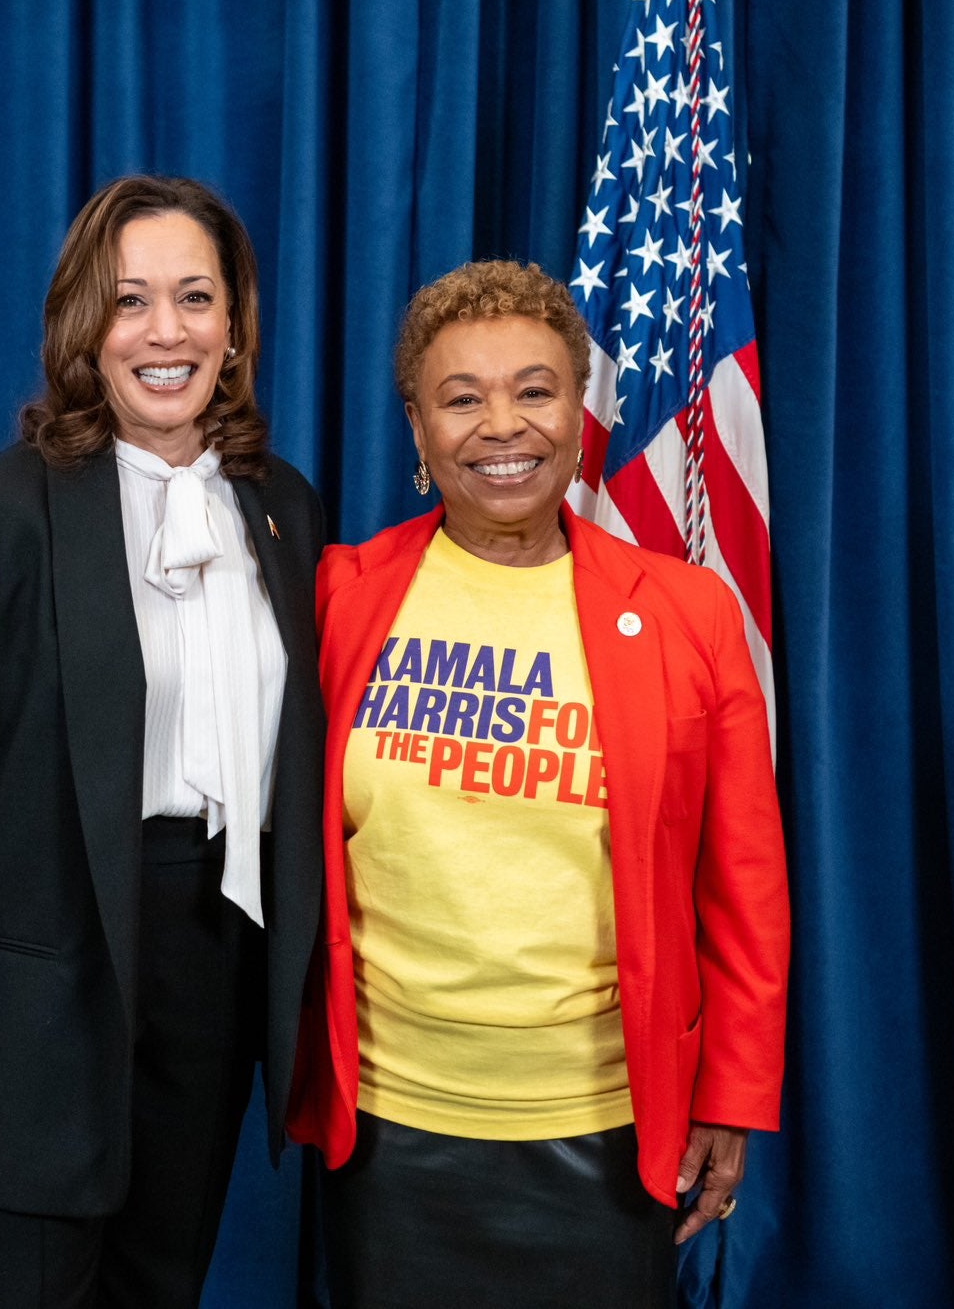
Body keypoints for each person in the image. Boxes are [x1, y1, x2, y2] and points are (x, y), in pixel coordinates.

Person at [0, 174, 327, 1308]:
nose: (166, 332)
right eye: (129, 301)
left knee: (160, 1289)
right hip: (41, 998)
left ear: (235, 323)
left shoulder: (285, 508)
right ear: (83, 325)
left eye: (194, 297)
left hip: (215, 969)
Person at [287, 260, 790, 1307]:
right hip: (389, 1126)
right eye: (459, 398)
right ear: (417, 434)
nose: (499, 425)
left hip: (602, 1131)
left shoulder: (686, 614)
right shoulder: (340, 594)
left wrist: (730, 1098)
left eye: (532, 388)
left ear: (576, 410)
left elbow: (741, 882)